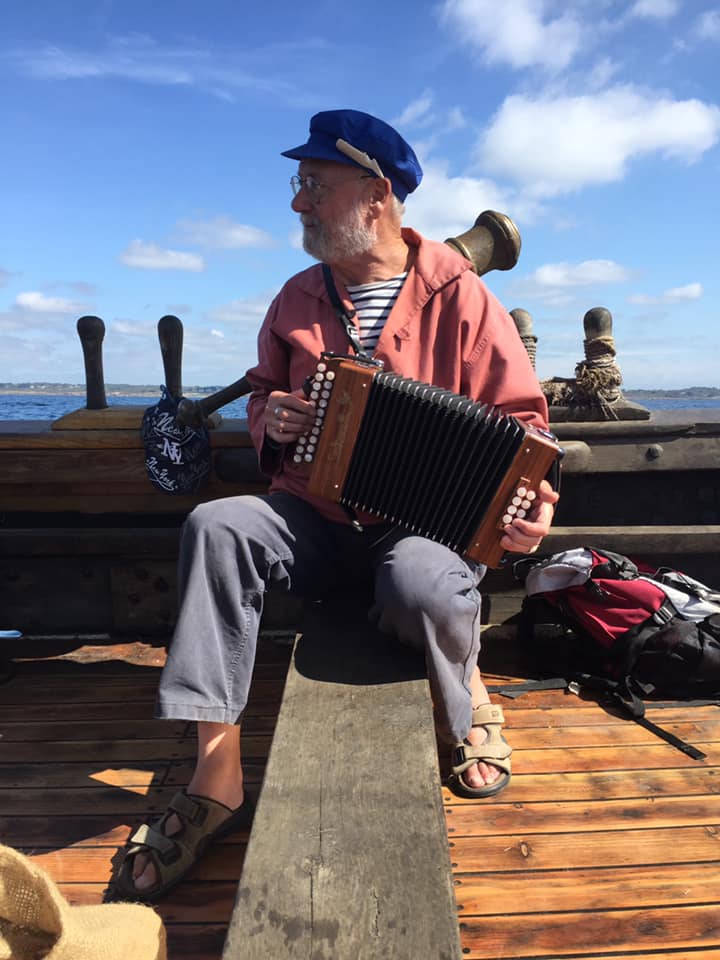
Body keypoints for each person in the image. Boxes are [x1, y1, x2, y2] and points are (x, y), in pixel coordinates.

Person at [115, 109, 559, 903]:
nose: (298, 202)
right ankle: (216, 774)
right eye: (301, 183)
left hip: (416, 530)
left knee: (423, 583)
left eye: (314, 185)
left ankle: (465, 688)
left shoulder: (461, 297)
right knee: (217, 525)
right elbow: (261, 393)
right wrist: (274, 419)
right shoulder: (295, 298)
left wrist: (533, 502)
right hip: (311, 519)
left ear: (376, 195)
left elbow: (524, 425)